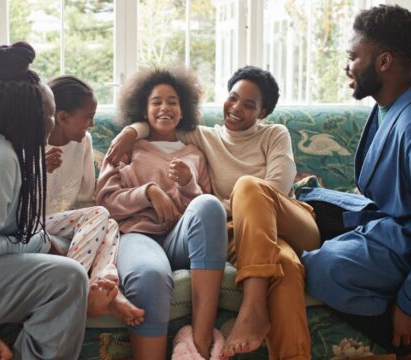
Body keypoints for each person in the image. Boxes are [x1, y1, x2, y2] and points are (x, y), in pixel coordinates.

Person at [108, 65, 320, 360]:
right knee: (284, 265)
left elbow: (277, 188)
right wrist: (131, 131)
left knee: (249, 188)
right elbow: (161, 119)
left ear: (263, 111)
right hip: (242, 235)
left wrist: (220, 204)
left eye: (249, 105)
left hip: (290, 220)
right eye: (233, 98)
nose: (236, 108)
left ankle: (252, 308)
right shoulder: (204, 137)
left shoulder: (275, 134)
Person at [0, 42, 108, 360]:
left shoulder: (4, 151)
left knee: (61, 258)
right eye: (51, 114)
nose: (53, 123)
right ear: (30, 116)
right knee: (67, 279)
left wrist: (44, 242)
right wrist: (39, 243)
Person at [298, 4, 411, 357]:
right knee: (307, 201)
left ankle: (399, 342)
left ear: (384, 62)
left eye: (352, 56)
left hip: (404, 245)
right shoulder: (387, 106)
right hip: (388, 226)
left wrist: (407, 305)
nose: (346, 66)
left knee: (322, 267)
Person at [96, 67, 228, 360]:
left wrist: (187, 184)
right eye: (156, 101)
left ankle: (200, 345)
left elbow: (205, 218)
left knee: (209, 205)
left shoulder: (194, 154)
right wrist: (147, 192)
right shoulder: (126, 147)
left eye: (172, 101)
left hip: (180, 239)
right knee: (150, 275)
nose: (165, 107)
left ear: (183, 111)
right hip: (137, 236)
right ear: (143, 108)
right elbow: (104, 201)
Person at [43, 75, 144, 324]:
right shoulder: (30, 144)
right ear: (63, 117)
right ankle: (73, 289)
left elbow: (86, 198)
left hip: (69, 230)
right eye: (87, 118)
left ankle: (104, 284)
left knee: (108, 222)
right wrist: (38, 170)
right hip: (35, 227)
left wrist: (92, 228)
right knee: (100, 214)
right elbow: (14, 202)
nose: (91, 125)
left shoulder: (83, 142)